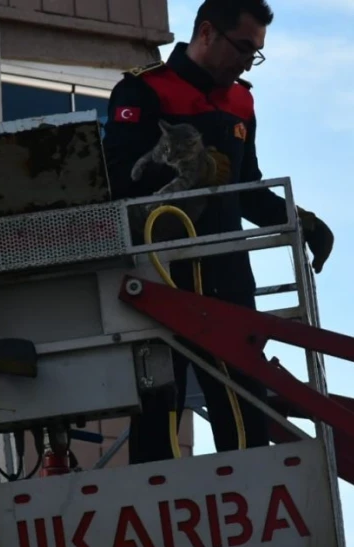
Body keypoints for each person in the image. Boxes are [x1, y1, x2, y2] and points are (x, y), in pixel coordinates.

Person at [102, 0, 334, 464]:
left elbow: (247, 190)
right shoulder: (143, 91)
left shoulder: (241, 101)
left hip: (227, 277)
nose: (249, 62)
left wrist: (300, 221)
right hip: (160, 277)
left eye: (257, 54)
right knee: (159, 404)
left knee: (241, 398)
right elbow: (116, 178)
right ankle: (158, 502)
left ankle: (252, 493)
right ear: (206, 33)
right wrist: (188, 173)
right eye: (244, 48)